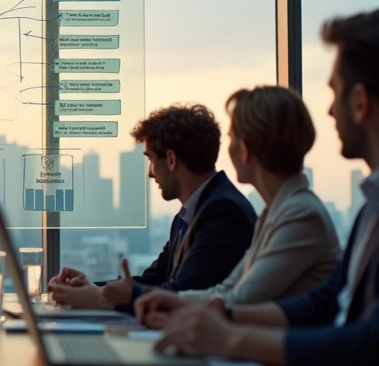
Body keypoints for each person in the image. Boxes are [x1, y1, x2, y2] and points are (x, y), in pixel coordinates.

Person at [139, 7, 379, 366]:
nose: (328, 111)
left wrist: (232, 338)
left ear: (360, 102)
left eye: (334, 92)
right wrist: (218, 314)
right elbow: (325, 302)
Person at [132, 87, 339, 324]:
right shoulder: (278, 211)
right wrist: (167, 301)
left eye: (231, 138)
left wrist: (158, 301)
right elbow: (227, 290)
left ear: (245, 149)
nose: (227, 149)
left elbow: (241, 299)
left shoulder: (300, 214)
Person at [49, 104, 257, 310]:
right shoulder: (190, 214)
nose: (150, 173)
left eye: (151, 160)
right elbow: (153, 280)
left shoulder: (224, 212)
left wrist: (99, 298)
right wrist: (90, 289)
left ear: (171, 160)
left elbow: (181, 293)